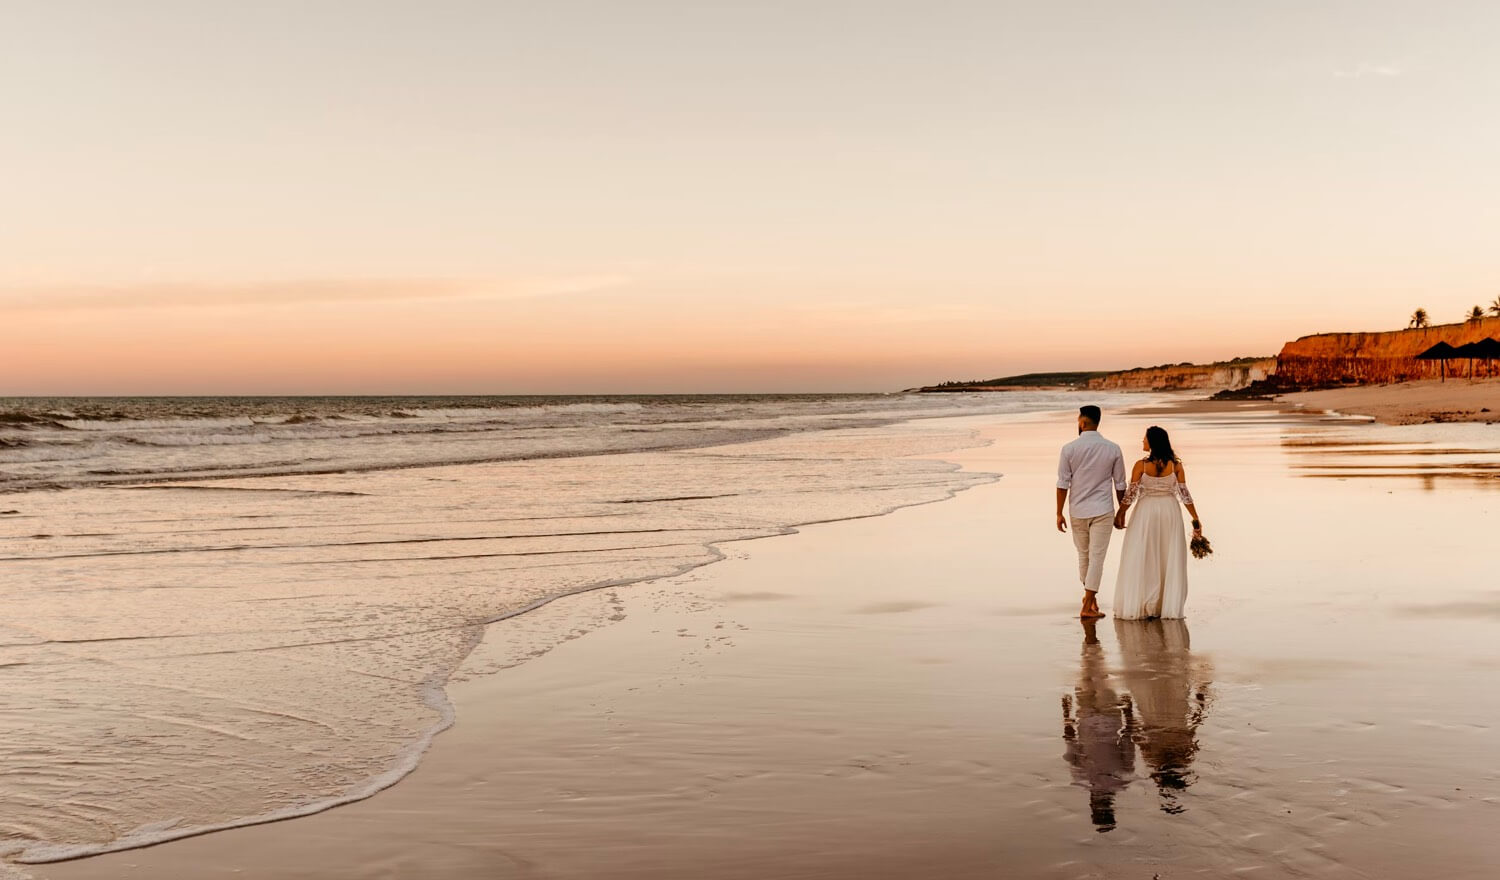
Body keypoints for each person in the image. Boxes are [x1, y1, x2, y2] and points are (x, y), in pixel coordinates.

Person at [1111, 426, 1202, 620]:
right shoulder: (1175, 465)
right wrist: (1195, 519)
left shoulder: (1141, 465)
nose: (1142, 441)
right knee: (1167, 555)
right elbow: (1185, 495)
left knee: (1144, 554)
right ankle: (1164, 605)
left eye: (1144, 438)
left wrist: (1120, 513)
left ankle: (1145, 603)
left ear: (1152, 442)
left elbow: (1130, 495)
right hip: (1170, 512)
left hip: (1146, 513)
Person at [1055, 405, 1127, 619]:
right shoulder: (1113, 448)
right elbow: (1120, 484)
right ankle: (1089, 602)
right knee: (1096, 559)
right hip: (1103, 509)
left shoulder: (1069, 449)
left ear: (1082, 422)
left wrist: (1059, 513)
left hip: (1077, 510)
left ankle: (1088, 601)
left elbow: (1062, 483)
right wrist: (1121, 512)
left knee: (1084, 556)